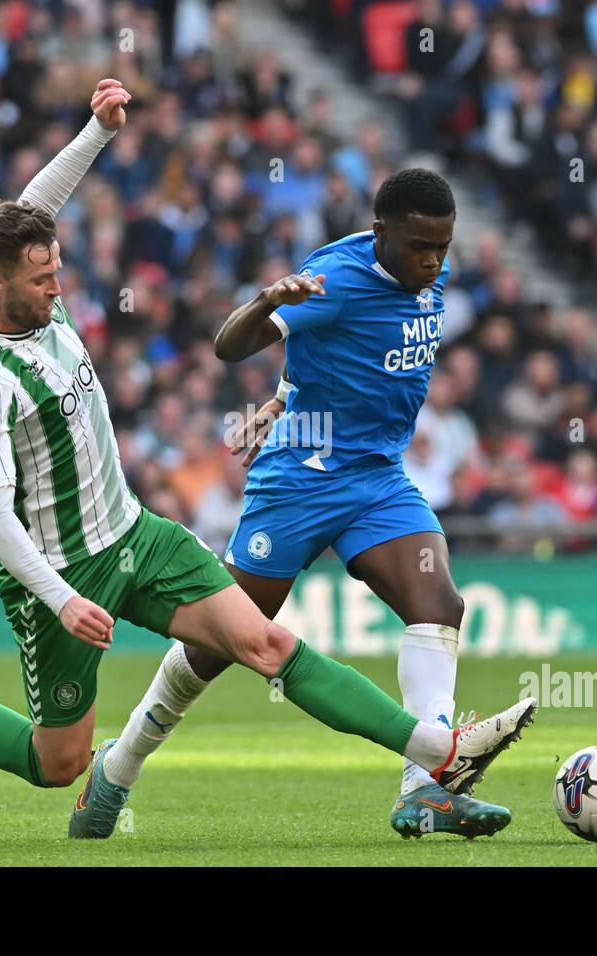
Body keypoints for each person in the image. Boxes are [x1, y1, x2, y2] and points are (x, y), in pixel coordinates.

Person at [0, 81, 535, 828]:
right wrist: (63, 601)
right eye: (44, 279)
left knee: (262, 641)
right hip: (64, 572)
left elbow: (29, 211)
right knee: (55, 762)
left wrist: (96, 132)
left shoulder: (6, 280)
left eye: (56, 268)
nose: (59, 287)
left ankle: (437, 761)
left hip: (136, 532)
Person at [81, 168, 534, 841]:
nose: (433, 260)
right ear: (382, 235)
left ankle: (426, 789)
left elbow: (332, 355)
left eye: (442, 245)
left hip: (378, 476)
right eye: (419, 246)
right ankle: (117, 767)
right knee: (222, 642)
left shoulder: (426, 269)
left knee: (439, 605)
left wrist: (287, 392)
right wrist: (267, 301)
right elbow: (229, 346)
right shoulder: (336, 278)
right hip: (300, 478)